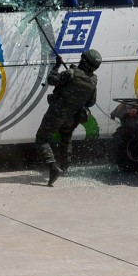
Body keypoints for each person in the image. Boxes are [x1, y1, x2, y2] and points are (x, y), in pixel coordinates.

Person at [34, 49, 101, 186]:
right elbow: (91, 102)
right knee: (66, 138)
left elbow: (51, 80)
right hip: (73, 117)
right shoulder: (93, 80)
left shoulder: (71, 73)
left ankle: (53, 168)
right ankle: (64, 168)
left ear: (84, 61)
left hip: (57, 113)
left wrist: (57, 65)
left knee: (41, 139)